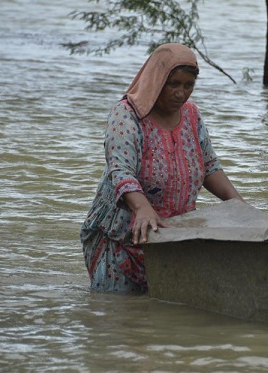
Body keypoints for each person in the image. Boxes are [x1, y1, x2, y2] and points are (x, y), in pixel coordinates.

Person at [80, 43, 243, 292]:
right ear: (157, 80)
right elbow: (121, 171)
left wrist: (238, 205)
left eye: (188, 85)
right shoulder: (127, 114)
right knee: (117, 317)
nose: (181, 93)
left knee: (163, 316)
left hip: (171, 240)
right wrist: (143, 208)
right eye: (174, 84)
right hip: (121, 239)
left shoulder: (191, 115)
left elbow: (209, 166)